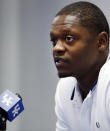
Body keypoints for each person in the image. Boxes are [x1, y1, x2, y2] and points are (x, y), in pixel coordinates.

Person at [50, 1, 110, 131]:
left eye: (69, 38)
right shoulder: (65, 86)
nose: (57, 48)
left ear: (101, 42)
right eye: (54, 41)